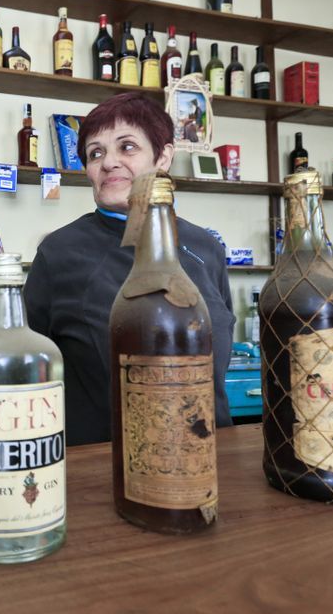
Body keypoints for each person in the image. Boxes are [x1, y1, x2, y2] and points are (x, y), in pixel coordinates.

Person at [23, 92, 234, 447]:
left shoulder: (205, 248)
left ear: (163, 156)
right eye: (96, 153)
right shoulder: (58, 252)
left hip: (212, 455)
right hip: (103, 463)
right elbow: (27, 370)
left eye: (127, 147)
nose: (109, 163)